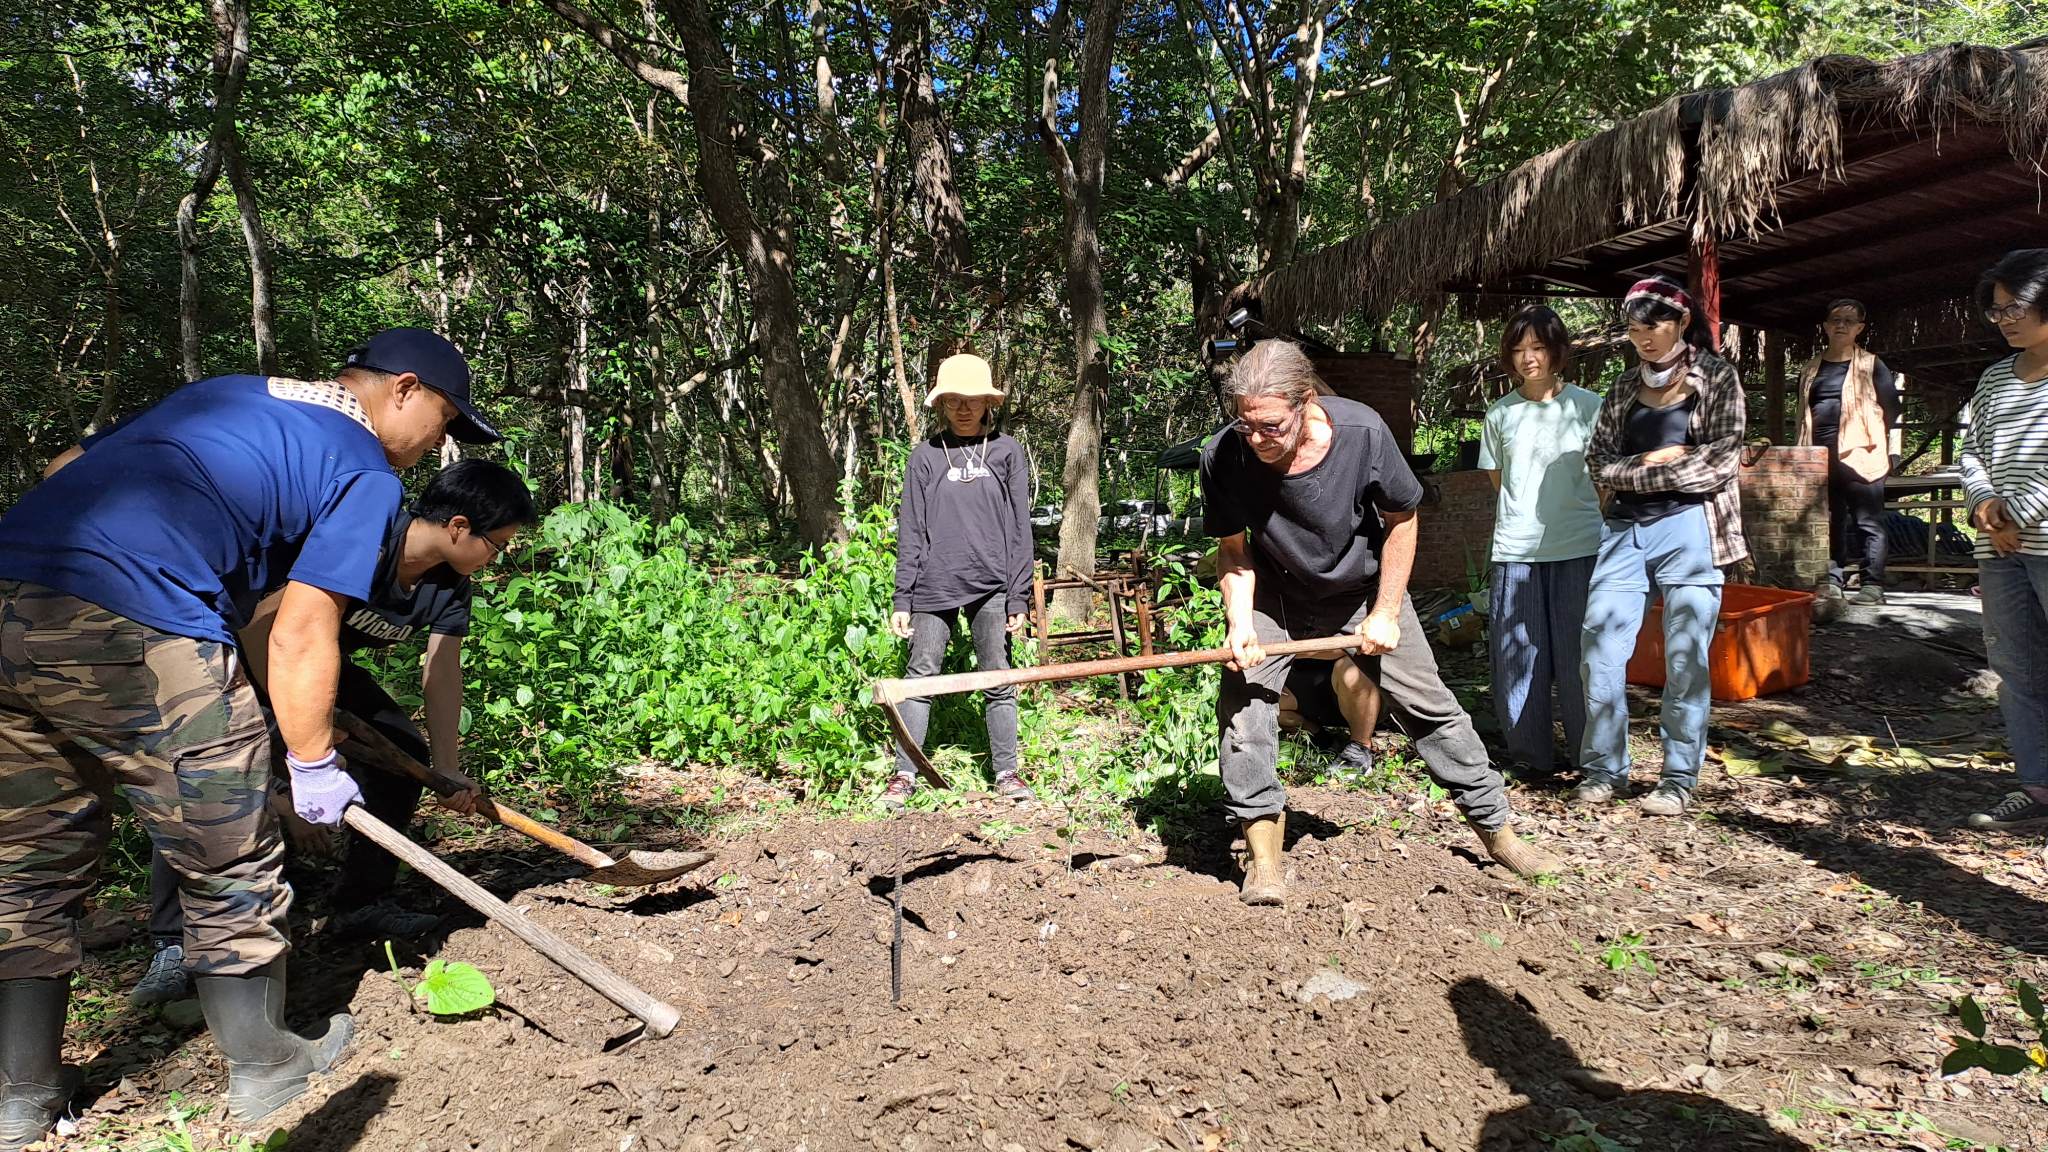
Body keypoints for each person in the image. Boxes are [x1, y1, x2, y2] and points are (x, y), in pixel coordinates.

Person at [0, 328, 497, 1143]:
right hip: (141, 617)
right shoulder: (363, 468)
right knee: (227, 848)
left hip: (11, 599)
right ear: (401, 389)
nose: (441, 445)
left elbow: (66, 468)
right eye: (444, 421)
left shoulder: (226, 395)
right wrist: (311, 761)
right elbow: (303, 631)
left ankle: (20, 1097)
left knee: (27, 867)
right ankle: (267, 1064)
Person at [128, 459, 536, 1008]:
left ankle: (359, 902)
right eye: (497, 543)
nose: (498, 557)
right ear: (460, 527)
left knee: (403, 755)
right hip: (239, 658)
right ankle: (174, 943)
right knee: (212, 777)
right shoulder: (365, 537)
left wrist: (445, 765)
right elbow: (263, 626)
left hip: (322, 666)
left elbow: (441, 673)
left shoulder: (448, 584)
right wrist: (290, 745)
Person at [1201, 340, 1561, 908]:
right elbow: (1233, 550)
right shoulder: (1225, 454)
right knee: (1245, 711)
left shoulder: (1363, 432)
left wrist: (1387, 611)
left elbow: (1401, 519)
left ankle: (1500, 832)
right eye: (1246, 426)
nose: (1257, 439)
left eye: (1269, 426)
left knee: (1430, 706)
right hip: (1274, 594)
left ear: (1306, 403)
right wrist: (1241, 624)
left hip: (1363, 591)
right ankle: (1265, 857)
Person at [1577, 278, 1748, 816]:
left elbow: (1719, 462)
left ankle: (1678, 777)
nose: (1643, 337)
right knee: (1600, 650)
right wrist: (1660, 463)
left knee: (1685, 655)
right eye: (1633, 328)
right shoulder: (1624, 386)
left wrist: (1639, 471)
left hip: (1692, 530)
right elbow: (1596, 462)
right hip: (1623, 530)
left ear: (1680, 323)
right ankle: (1604, 768)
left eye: (1653, 325)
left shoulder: (1718, 378)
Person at [884, 352, 1034, 810]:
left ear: (988, 402)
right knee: (920, 678)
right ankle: (904, 774)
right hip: (933, 587)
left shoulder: (1006, 452)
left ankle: (1007, 771)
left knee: (998, 678)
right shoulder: (925, 456)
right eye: (953, 401)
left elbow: (1018, 529)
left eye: (971, 400)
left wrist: (1017, 596)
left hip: (991, 585)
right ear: (942, 405)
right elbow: (912, 528)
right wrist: (903, 597)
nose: (963, 409)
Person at [1479, 306, 1605, 777]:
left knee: (1581, 659)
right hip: (1516, 551)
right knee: (1518, 659)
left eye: (1537, 347)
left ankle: (1590, 758)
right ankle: (1531, 759)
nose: (1528, 358)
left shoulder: (1589, 405)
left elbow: (1604, 478)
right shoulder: (1500, 413)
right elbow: (1499, 480)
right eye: (1518, 349)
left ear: (1557, 352)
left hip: (1579, 546)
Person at [1958, 250, 2048, 831]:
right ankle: (2036, 788)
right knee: (2017, 669)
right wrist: (1982, 505)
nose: (2006, 320)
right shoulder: (1995, 378)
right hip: (2001, 552)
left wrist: (2016, 512)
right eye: (1997, 312)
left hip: (2035, 540)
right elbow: (1972, 450)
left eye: (2015, 307)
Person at [1798, 299, 1902, 605]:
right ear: (1826, 326)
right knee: (1830, 520)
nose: (1841, 325)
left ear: (1859, 328)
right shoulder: (1810, 367)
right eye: (1835, 320)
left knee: (1867, 521)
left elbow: (1891, 408)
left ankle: (1872, 585)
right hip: (1819, 456)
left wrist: (1868, 434)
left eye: (1848, 321)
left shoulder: (1872, 364)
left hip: (1862, 453)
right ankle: (1833, 580)